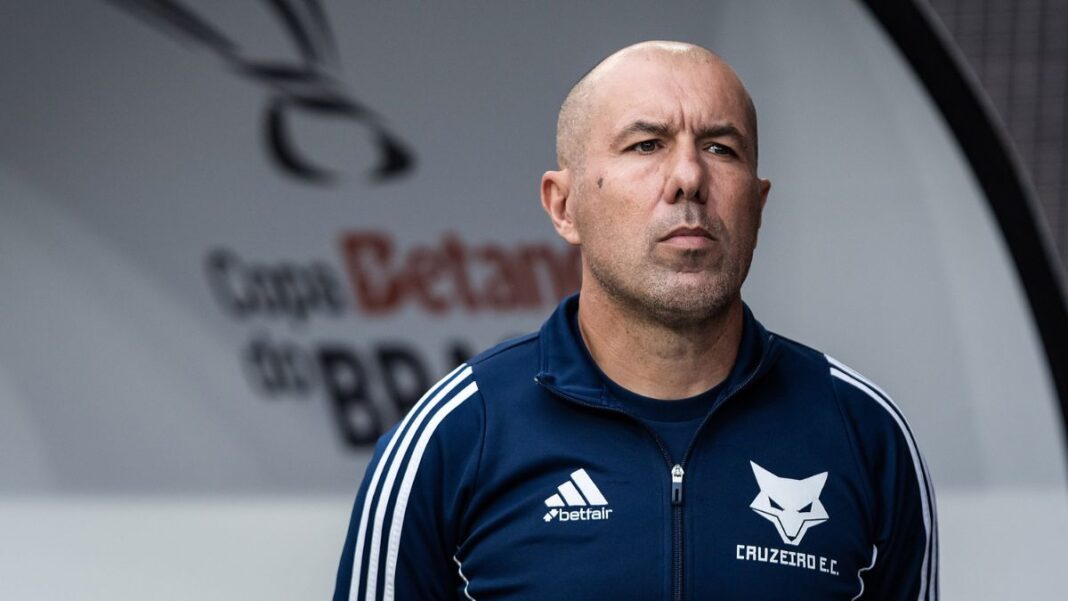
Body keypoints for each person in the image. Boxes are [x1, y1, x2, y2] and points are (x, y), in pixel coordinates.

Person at [334, 40, 937, 600]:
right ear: (563, 206)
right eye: (646, 144)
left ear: (757, 204)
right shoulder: (455, 436)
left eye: (721, 148)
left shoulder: (865, 434)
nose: (689, 178)